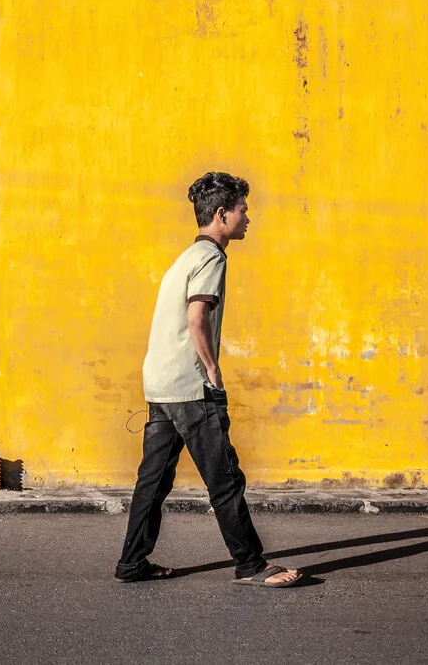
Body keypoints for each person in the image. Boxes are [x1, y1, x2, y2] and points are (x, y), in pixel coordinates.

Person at [114, 172, 302, 588]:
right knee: (225, 480)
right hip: (190, 388)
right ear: (221, 215)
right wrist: (213, 371)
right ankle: (251, 565)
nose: (248, 218)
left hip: (161, 385)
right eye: (242, 210)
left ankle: (131, 563)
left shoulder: (184, 258)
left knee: (153, 481)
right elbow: (197, 317)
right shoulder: (212, 258)